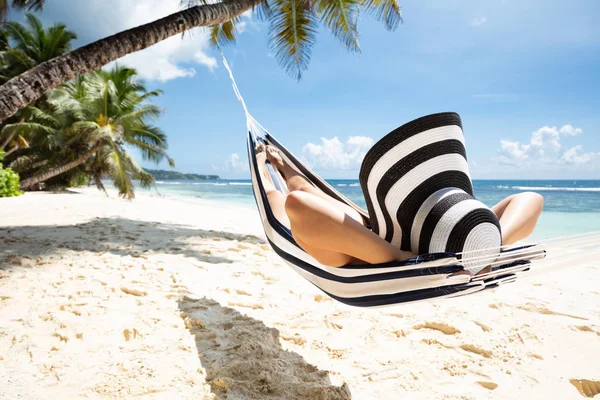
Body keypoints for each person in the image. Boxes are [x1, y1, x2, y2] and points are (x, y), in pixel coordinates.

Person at [257, 144, 544, 271]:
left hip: (354, 246)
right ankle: (284, 166)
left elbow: (300, 205)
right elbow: (533, 198)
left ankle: (266, 169)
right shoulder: (457, 232)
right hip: (390, 229)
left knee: (283, 197)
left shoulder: (370, 256)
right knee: (306, 189)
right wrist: (493, 244)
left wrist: (396, 256)